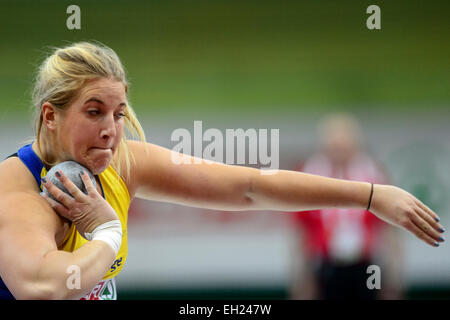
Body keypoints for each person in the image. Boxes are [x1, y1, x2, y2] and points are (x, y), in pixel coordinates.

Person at [0, 42, 445, 300]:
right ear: (50, 116)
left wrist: (369, 195)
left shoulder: (124, 163)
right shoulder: (17, 189)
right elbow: (43, 287)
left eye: (118, 114)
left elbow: (249, 187)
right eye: (93, 112)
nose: (110, 131)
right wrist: (108, 232)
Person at [290, 113, 404, 300]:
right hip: (325, 265)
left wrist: (394, 278)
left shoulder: (373, 175)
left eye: (343, 146)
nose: (339, 152)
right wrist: (300, 278)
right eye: (334, 147)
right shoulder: (310, 175)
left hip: (367, 264)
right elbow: (301, 232)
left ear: (355, 145)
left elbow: (389, 230)